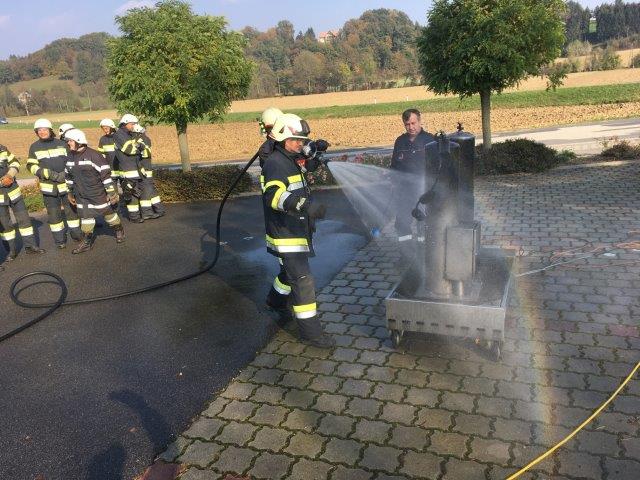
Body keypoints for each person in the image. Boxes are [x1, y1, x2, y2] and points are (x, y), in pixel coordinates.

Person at [261, 113, 334, 349]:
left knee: (288, 274)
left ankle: (274, 301)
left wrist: (317, 153)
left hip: (295, 229)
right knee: (303, 281)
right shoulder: (275, 163)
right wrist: (304, 206)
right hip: (286, 234)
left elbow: (305, 168)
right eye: (297, 140)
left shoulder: (290, 158)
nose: (301, 144)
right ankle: (311, 333)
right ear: (283, 138)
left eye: (302, 140)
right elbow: (273, 196)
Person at [63, 129, 124, 254]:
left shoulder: (94, 155)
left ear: (79, 141)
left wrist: (111, 193)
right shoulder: (70, 157)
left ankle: (118, 229)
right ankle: (87, 243)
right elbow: (68, 176)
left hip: (97, 193)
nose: (68, 143)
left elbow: (105, 175)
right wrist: (69, 192)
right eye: (67, 141)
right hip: (81, 195)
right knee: (86, 218)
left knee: (109, 214)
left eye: (70, 141)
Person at [26, 118, 82, 248]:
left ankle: (77, 235)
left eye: (44, 129)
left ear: (50, 130)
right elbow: (31, 166)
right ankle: (60, 241)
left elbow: (71, 159)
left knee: (72, 211)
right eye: (39, 130)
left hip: (65, 185)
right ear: (36, 132)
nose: (42, 132)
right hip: (49, 188)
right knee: (54, 215)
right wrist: (47, 173)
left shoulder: (62, 144)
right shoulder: (34, 147)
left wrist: (65, 173)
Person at [390, 108, 436, 257]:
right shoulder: (400, 141)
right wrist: (393, 182)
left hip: (423, 190)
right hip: (403, 190)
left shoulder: (430, 140)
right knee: (402, 221)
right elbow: (394, 166)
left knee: (423, 220)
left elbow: (436, 167)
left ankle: (424, 252)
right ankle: (406, 253)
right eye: (407, 124)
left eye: (413, 123)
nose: (411, 127)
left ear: (419, 121)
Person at [0, 144, 45, 269]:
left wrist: (10, 175)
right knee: (5, 226)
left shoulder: (2, 149)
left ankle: (30, 246)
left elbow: (15, 163)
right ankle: (11, 251)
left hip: (14, 193)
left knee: (25, 221)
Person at [113, 114, 147, 223]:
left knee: (136, 194)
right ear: (125, 123)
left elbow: (143, 146)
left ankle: (136, 215)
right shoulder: (119, 135)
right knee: (131, 195)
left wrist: (138, 142)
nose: (134, 126)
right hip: (127, 171)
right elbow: (130, 150)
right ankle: (134, 217)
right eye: (132, 124)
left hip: (135, 169)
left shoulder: (130, 134)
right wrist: (138, 144)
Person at [132, 124, 165, 218]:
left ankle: (147, 213)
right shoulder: (143, 139)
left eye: (133, 133)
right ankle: (159, 209)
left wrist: (138, 147)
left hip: (144, 170)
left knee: (145, 191)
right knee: (151, 190)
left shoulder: (142, 140)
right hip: (145, 169)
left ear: (137, 133)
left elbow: (146, 154)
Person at [97, 118, 119, 184]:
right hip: (111, 170)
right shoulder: (102, 139)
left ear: (112, 127)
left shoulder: (119, 137)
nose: (105, 130)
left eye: (106, 128)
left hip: (122, 169)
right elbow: (101, 155)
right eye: (103, 129)